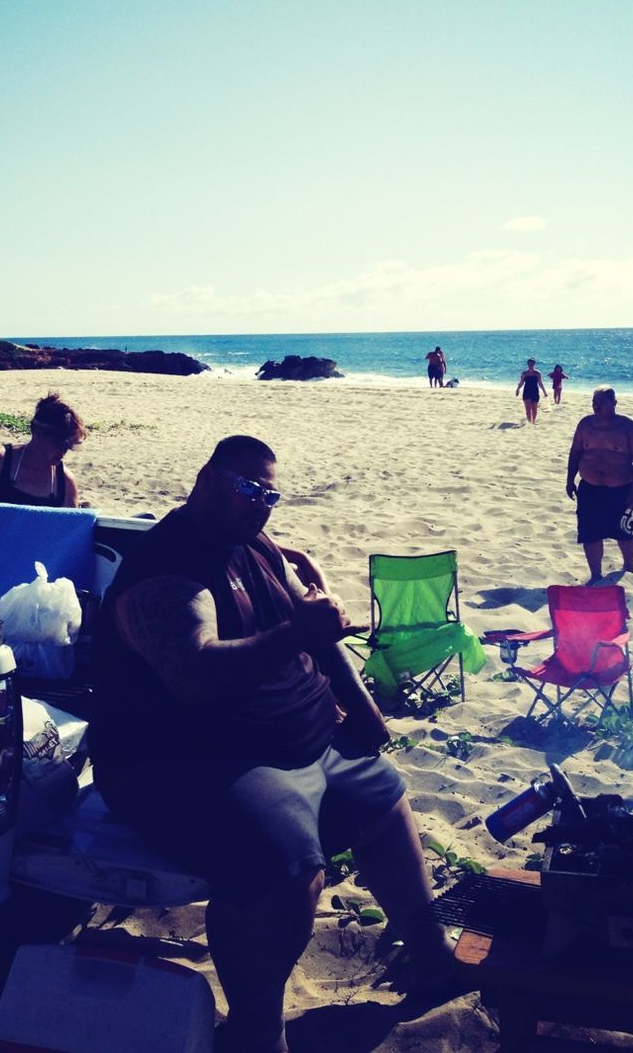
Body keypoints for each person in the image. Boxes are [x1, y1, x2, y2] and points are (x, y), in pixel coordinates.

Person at [90, 435, 453, 1053]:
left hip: (308, 740)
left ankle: (432, 956)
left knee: (386, 800)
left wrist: (365, 714)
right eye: (247, 489)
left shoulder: (254, 544)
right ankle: (258, 1030)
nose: (261, 505)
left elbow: (316, 634)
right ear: (206, 480)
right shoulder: (167, 571)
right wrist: (297, 632)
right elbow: (195, 674)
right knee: (285, 872)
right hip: (195, 759)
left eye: (270, 494)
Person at [566, 387, 633, 582]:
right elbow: (575, 452)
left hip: (620, 489)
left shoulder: (629, 428)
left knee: (624, 531)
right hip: (589, 488)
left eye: (601, 403)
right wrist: (570, 479)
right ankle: (596, 574)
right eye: (594, 402)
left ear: (614, 403)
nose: (597, 406)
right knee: (590, 532)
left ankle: (628, 567)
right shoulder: (585, 425)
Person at [515, 358, 547, 423]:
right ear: (527, 364)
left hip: (535, 392)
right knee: (528, 409)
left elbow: (540, 383)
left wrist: (544, 392)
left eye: (532, 363)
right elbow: (521, 383)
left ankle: (534, 421)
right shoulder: (524, 373)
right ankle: (529, 422)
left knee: (534, 409)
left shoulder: (537, 373)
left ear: (534, 364)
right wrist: (517, 389)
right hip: (526, 392)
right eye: (529, 363)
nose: (531, 365)